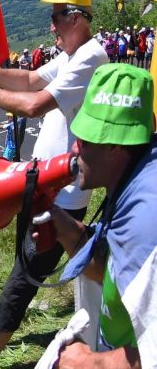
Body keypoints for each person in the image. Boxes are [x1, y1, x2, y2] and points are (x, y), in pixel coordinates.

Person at [0, 0, 108, 366]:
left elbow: (33, 104)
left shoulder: (90, 57)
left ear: (76, 18)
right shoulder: (71, 55)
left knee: (23, 275)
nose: (51, 25)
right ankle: (88, 320)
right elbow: (29, 80)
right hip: (45, 185)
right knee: (30, 266)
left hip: (62, 194)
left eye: (56, 16)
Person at [42, 63, 156, 367]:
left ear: (114, 146)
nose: (74, 148)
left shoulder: (146, 217)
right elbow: (111, 268)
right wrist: (59, 223)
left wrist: (89, 362)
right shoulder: (134, 178)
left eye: (85, 140)